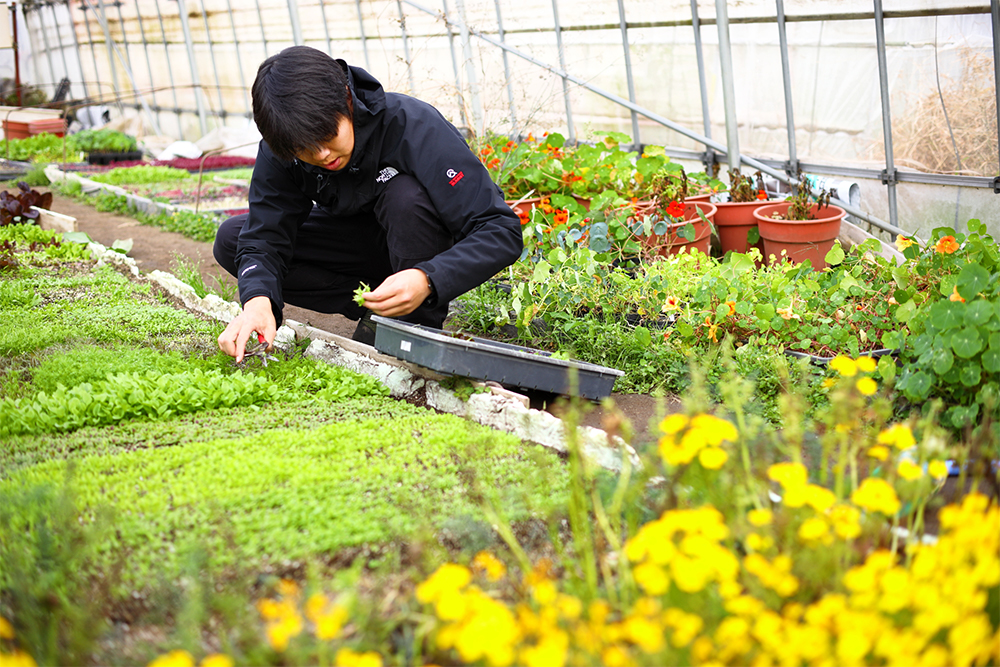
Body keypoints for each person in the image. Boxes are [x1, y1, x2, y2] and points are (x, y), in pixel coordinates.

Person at [214, 46, 522, 362]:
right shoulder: (284, 147)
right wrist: (258, 300)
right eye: (304, 149)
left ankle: (413, 327)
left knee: (405, 196)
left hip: (419, 248)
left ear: (347, 99)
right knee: (232, 240)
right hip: (360, 247)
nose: (321, 154)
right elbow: (264, 238)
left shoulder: (413, 125)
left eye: (327, 135)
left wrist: (428, 278)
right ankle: (377, 308)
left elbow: (500, 230)